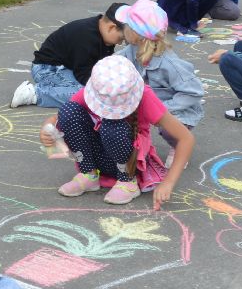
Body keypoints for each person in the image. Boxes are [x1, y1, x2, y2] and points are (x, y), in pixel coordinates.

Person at [49, 54, 196, 208]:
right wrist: (48, 130)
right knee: (68, 110)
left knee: (112, 126)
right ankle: (89, 175)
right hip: (98, 157)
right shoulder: (100, 89)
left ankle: (127, 182)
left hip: (130, 161)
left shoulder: (145, 97)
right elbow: (60, 117)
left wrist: (168, 183)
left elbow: (186, 139)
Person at [114, 0, 204, 157]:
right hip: (148, 103)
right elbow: (115, 61)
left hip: (177, 108)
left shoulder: (170, 64)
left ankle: (179, 145)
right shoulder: (132, 49)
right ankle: (131, 146)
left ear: (135, 33)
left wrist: (162, 110)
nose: (123, 28)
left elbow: (194, 92)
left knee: (168, 129)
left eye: (126, 24)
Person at [10, 2, 123, 109]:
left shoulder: (103, 34)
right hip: (47, 70)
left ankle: (53, 89)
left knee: (98, 90)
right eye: (120, 38)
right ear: (111, 28)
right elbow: (83, 74)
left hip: (65, 68)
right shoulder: (86, 37)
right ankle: (34, 94)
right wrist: (104, 88)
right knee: (90, 94)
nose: (119, 43)